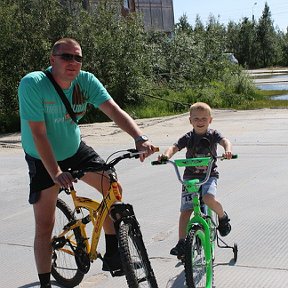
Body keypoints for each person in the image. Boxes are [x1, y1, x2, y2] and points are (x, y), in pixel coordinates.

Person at [18, 38, 156, 288]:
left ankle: (114, 253)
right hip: (42, 156)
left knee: (111, 185)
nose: (73, 62)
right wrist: (56, 172)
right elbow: (38, 133)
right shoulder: (34, 84)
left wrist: (139, 138)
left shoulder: (86, 81)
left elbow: (113, 110)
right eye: (66, 57)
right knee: (45, 223)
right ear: (52, 60)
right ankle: (45, 282)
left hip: (73, 148)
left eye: (78, 58)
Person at [159, 102, 232, 259]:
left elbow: (225, 141)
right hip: (190, 178)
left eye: (204, 118)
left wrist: (228, 150)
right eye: (196, 118)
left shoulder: (213, 135)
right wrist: (166, 156)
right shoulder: (188, 137)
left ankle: (222, 217)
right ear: (190, 120)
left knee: (208, 198)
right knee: (186, 211)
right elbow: (174, 147)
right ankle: (181, 242)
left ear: (210, 120)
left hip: (209, 175)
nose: (200, 121)